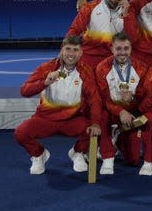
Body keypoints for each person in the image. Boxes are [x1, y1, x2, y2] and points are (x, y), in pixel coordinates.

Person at [15, 36, 101, 175]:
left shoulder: (86, 71)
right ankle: (38, 155)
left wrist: (95, 123)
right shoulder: (46, 68)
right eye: (68, 49)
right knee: (21, 133)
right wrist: (45, 82)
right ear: (61, 50)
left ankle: (77, 153)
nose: (71, 54)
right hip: (45, 119)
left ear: (81, 53)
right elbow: (24, 91)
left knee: (96, 128)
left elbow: (94, 100)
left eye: (75, 50)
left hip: (72, 120)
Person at [95, 32, 152, 175]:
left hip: (133, 114)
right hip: (112, 111)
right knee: (101, 114)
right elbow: (103, 99)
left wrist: (133, 98)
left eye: (126, 48)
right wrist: (120, 111)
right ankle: (108, 157)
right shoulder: (102, 68)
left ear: (131, 49)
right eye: (118, 49)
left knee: (134, 160)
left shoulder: (141, 68)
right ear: (112, 49)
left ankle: (118, 136)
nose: (122, 52)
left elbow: (145, 96)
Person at [66, 0, 137, 67]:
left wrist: (126, 14)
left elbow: (133, 38)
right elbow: (74, 31)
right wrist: (66, 51)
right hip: (89, 58)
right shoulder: (90, 7)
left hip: (115, 59)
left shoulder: (129, 11)